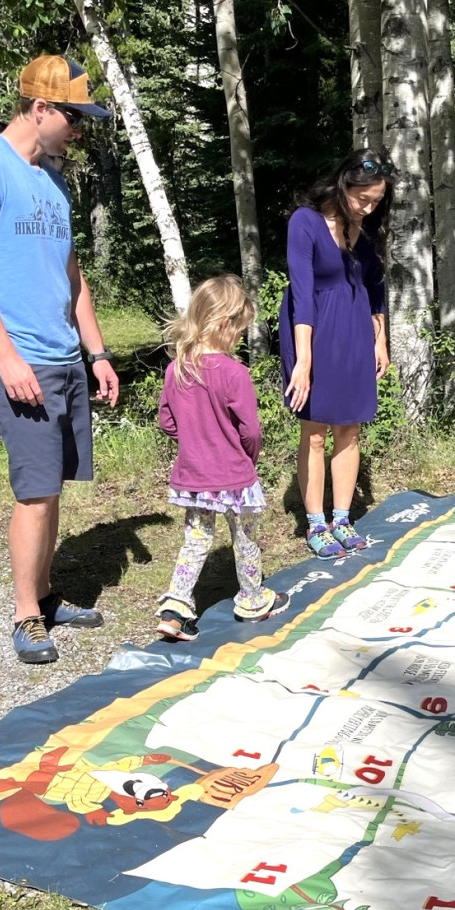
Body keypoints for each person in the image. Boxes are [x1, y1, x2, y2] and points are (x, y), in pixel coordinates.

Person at [0, 54, 119, 665]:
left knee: (55, 489)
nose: (79, 129)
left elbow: (72, 275)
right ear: (40, 108)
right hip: (17, 362)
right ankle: (26, 616)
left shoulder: (53, 177)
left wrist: (95, 351)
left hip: (63, 355)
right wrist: (6, 358)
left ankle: (45, 597)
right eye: (73, 116)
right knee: (35, 493)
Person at [156, 274, 289, 640]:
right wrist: (248, 458)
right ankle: (251, 600)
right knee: (244, 536)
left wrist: (194, 443)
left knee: (195, 540)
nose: (241, 336)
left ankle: (175, 608)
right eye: (240, 329)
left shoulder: (176, 369)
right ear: (224, 324)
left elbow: (167, 421)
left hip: (194, 477)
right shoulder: (235, 373)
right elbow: (251, 431)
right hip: (234, 475)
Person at [279, 149, 393, 559]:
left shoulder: (364, 229)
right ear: (344, 185)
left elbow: (375, 287)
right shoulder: (305, 222)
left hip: (354, 332)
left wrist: (379, 339)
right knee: (313, 432)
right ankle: (315, 523)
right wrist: (304, 361)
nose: (369, 207)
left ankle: (342, 518)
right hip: (313, 330)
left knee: (350, 427)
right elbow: (302, 295)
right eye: (364, 198)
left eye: (376, 201)